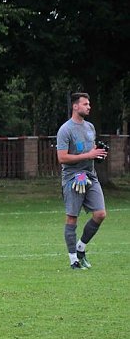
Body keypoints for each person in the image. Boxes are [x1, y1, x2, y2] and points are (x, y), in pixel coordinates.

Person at [56, 92, 108, 270]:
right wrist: (89, 154)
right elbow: (62, 158)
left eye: (89, 104)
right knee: (72, 218)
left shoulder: (90, 127)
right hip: (73, 177)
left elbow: (91, 150)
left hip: (90, 175)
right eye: (85, 104)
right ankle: (73, 260)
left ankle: (81, 248)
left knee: (100, 214)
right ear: (75, 106)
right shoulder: (65, 130)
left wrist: (98, 154)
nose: (89, 107)